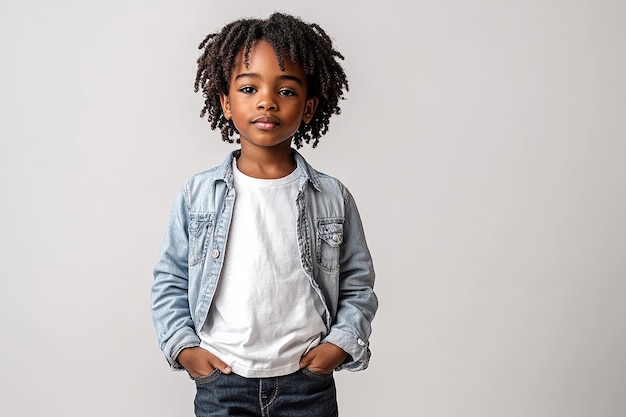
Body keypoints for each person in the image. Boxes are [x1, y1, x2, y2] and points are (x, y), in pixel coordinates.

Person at [151, 12, 377, 417]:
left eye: (286, 91)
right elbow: (171, 277)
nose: (267, 100)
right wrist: (184, 348)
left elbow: (358, 283)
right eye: (249, 87)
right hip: (223, 381)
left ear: (309, 108)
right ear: (225, 102)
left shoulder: (331, 196)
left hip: (306, 383)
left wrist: (339, 344)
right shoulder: (198, 194)